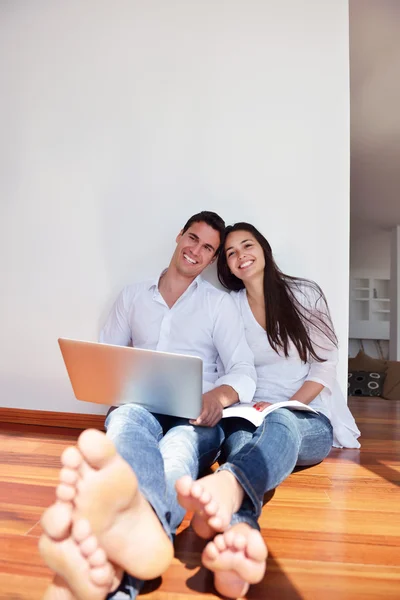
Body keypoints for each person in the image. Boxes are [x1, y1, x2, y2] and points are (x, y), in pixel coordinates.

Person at [39, 212, 257, 600]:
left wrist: (216, 398)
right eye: (193, 238)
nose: (196, 250)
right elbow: (106, 356)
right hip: (137, 406)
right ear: (179, 236)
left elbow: (243, 370)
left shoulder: (218, 306)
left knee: (175, 456)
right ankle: (141, 549)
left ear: (211, 260)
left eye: (207, 248)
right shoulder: (133, 296)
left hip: (194, 416)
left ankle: (126, 570)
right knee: (123, 427)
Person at [176, 222, 361, 599]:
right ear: (226, 266)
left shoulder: (303, 293)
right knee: (242, 441)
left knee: (279, 420)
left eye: (247, 245)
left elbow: (324, 366)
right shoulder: (230, 306)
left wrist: (286, 404)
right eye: (230, 253)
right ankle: (242, 534)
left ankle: (228, 483)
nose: (240, 255)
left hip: (305, 415)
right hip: (248, 412)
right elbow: (228, 364)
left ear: (263, 248)